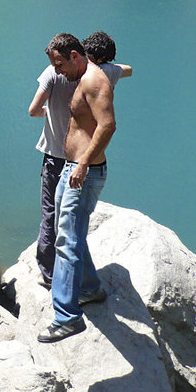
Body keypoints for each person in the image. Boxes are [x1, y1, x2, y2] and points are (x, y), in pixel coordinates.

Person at [31, 33, 118, 343]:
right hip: (72, 168)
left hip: (85, 171)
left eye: (59, 64)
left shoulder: (95, 81)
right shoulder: (83, 75)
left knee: (66, 242)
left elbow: (108, 125)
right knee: (66, 231)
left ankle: (67, 317)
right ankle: (91, 288)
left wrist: (82, 164)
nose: (57, 71)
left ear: (75, 55)